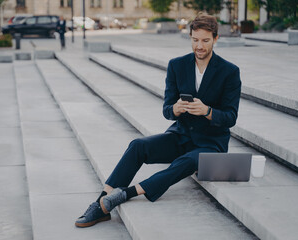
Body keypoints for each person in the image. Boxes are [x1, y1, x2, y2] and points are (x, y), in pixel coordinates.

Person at [75, 13, 242, 228]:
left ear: (216, 39)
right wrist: (176, 109)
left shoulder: (230, 71)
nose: (199, 46)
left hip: (211, 144)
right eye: (195, 40)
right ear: (190, 37)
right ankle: (100, 204)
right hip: (180, 135)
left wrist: (208, 111)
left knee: (187, 162)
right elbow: (167, 110)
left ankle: (127, 193)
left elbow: (230, 117)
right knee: (138, 146)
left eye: (205, 41)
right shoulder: (177, 65)